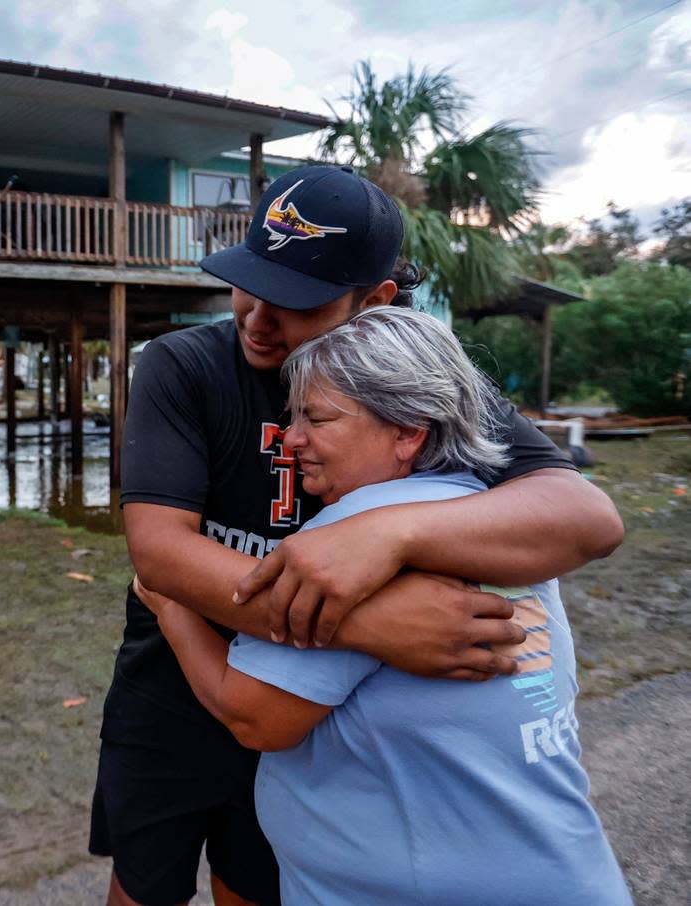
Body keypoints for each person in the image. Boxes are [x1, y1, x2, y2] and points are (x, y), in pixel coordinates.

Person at [90, 165, 624, 906]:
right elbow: (159, 552)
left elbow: (587, 516)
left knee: (258, 877)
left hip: (316, 710)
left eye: (296, 302)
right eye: (251, 282)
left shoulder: (404, 378)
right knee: (145, 882)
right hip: (175, 689)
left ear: (373, 303)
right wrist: (364, 623)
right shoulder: (185, 365)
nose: (257, 318)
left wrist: (391, 534)